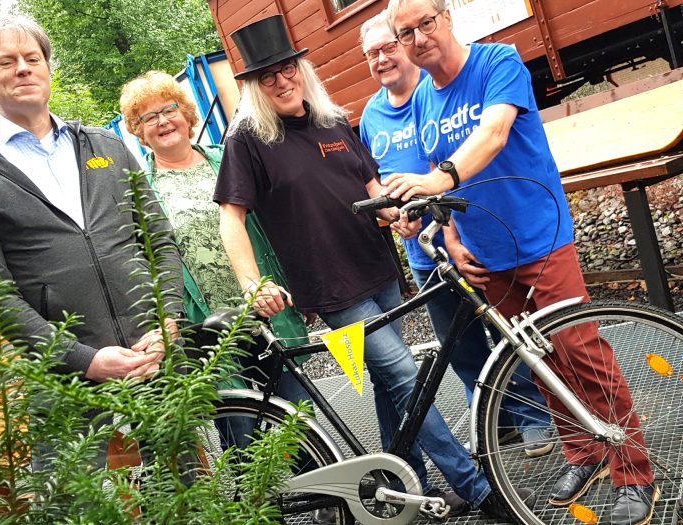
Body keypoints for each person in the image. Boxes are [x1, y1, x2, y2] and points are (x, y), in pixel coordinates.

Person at [213, 14, 532, 520]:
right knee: (404, 375)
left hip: (379, 270)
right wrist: (253, 284)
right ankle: (474, 488)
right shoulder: (248, 139)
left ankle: (400, 489)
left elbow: (369, 190)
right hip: (331, 286)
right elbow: (231, 216)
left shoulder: (333, 120)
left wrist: (398, 212)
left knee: (390, 387)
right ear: (253, 84)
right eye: (266, 75)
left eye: (287, 67)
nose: (280, 80)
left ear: (301, 68)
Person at [385, 1, 657, 523]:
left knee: (581, 351)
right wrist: (447, 233)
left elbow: (493, 135)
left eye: (426, 23)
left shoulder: (497, 63)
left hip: (539, 236)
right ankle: (585, 454)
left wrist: (439, 180)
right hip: (487, 254)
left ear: (446, 18)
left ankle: (634, 472)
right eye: (406, 33)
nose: (419, 38)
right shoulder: (421, 98)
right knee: (537, 359)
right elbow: (429, 173)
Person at [0, 15, 182, 469]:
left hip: (153, 354)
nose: (23, 69)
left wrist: (167, 322)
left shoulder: (105, 145)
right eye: (6, 62)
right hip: (60, 374)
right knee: (72, 502)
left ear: (49, 68)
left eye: (33, 58)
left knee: (182, 488)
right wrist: (82, 358)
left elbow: (160, 243)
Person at [358, 10, 553, 459]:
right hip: (424, 253)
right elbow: (378, 183)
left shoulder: (433, 95)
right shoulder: (370, 115)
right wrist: (393, 216)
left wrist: (443, 215)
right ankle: (493, 419)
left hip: (468, 236)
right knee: (458, 345)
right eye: (373, 54)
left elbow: (464, 154)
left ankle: (533, 418)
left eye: (390, 46)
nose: (383, 58)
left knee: (504, 328)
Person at [118, 70, 312, 441]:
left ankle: (321, 494)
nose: (163, 121)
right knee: (239, 428)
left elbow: (276, 228)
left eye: (169, 109)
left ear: (187, 115)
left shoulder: (229, 159)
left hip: (263, 307)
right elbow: (144, 263)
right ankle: (256, 500)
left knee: (298, 418)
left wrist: (295, 286)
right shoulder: (139, 192)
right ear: (138, 131)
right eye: (149, 117)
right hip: (205, 326)